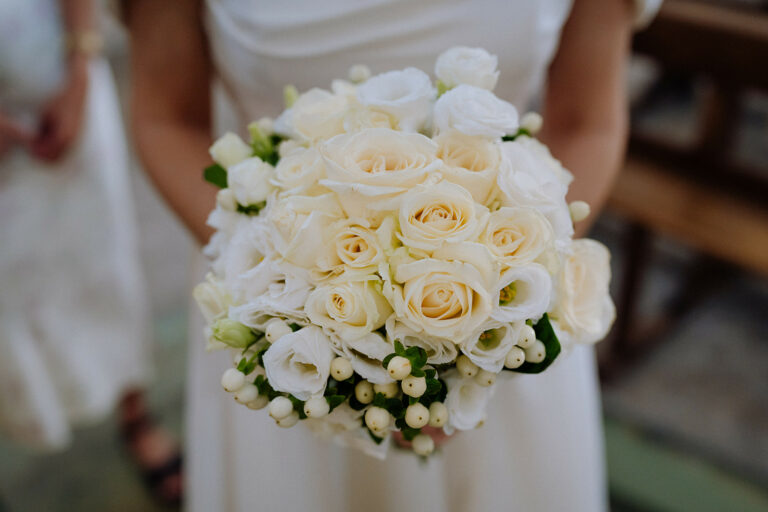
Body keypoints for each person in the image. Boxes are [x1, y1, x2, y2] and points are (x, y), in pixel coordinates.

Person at [124, 0, 660, 510]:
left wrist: (500, 300)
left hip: (503, 324)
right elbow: (167, 118)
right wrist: (290, 301)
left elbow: (588, 122)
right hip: (284, 316)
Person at [0, 0, 181, 505]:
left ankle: (135, 414)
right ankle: (25, 417)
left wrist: (81, 62)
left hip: (60, 76)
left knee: (104, 261)